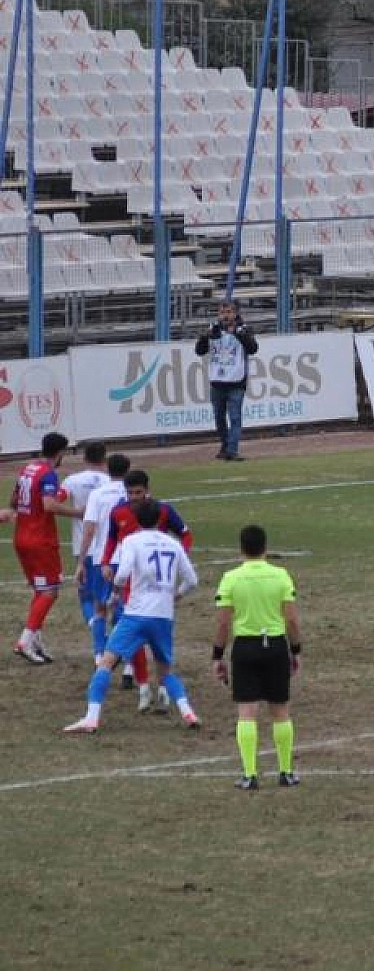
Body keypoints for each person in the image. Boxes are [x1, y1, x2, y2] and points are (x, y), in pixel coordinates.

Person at [63, 499, 201, 733]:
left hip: (136, 614)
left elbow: (122, 573)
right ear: (160, 519)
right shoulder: (172, 543)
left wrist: (116, 592)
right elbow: (192, 581)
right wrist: (175, 596)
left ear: (136, 518)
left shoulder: (131, 541)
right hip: (163, 616)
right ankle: (188, 712)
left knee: (106, 664)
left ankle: (91, 717)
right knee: (166, 672)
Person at [211, 524, 303, 791]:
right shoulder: (281, 576)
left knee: (247, 712)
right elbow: (292, 619)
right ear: (266, 548)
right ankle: (286, 772)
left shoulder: (230, 578)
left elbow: (223, 624)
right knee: (280, 711)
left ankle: (250, 775)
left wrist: (217, 656)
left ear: (241, 549)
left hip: (245, 648)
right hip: (275, 646)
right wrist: (295, 650)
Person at [101, 468, 194, 712]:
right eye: (129, 492)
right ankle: (143, 687)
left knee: (156, 635)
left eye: (138, 492)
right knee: (136, 638)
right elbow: (112, 539)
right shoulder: (118, 512)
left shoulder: (162, 511)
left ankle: (162, 688)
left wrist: (179, 557)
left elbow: (185, 534)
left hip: (156, 584)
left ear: (147, 490)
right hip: (129, 583)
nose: (133, 497)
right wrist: (106, 562)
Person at [11, 432, 82, 664]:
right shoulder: (48, 473)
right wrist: (78, 513)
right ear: (60, 452)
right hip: (40, 540)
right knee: (50, 591)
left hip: (21, 537)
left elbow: (14, 501)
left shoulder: (28, 469)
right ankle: (24, 641)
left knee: (40, 591)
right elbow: (49, 505)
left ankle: (35, 643)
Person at [77, 454, 132, 676]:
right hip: (130, 558)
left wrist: (81, 561)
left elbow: (89, 528)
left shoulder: (98, 494)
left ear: (108, 470)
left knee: (100, 608)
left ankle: (100, 656)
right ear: (128, 470)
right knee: (128, 609)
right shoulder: (136, 493)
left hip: (104, 559)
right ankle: (128, 663)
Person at [58, 441, 112, 661]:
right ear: (104, 459)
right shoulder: (111, 481)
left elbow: (56, 500)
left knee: (85, 596)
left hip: (83, 545)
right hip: (107, 548)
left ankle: (95, 627)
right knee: (109, 596)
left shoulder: (73, 480)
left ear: (84, 458)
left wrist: (75, 512)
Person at [194, 299, 259, 461]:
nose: (225, 316)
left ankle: (232, 449)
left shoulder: (243, 329)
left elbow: (253, 349)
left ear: (235, 313)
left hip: (236, 382)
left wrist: (240, 334)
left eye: (229, 312)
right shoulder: (213, 330)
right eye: (222, 312)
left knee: (235, 417)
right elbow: (199, 351)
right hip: (217, 381)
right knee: (219, 418)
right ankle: (225, 446)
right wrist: (204, 337)